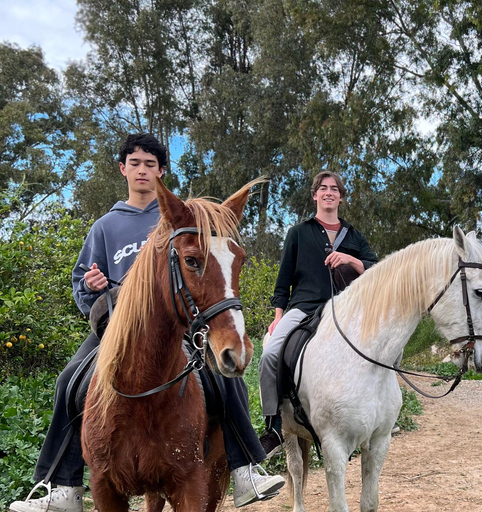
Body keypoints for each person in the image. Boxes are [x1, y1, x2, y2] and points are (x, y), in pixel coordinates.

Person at [10, 133, 283, 512]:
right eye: (135, 163)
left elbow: (207, 266)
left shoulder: (179, 219)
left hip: (177, 328)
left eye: (150, 164)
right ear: (123, 169)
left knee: (226, 382)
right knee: (68, 381)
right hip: (116, 329)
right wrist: (92, 286)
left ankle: (245, 469)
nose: (142, 170)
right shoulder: (106, 226)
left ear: (161, 172)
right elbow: (81, 284)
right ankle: (63, 487)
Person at [258, 171, 378, 457]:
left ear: (340, 196)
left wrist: (350, 259)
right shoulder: (298, 233)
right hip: (304, 307)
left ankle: (376, 416)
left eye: (334, 189)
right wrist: (278, 316)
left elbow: (376, 270)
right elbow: (283, 277)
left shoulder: (355, 236)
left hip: (347, 312)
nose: (328, 193)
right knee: (270, 354)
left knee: (382, 349)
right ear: (315, 195)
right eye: (323, 188)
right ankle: (273, 424)